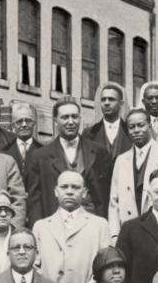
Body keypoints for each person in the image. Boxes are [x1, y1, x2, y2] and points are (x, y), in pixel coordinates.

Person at [108, 108, 158, 242]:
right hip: (129, 235)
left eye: (141, 125)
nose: (136, 130)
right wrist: (115, 235)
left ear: (150, 126)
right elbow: (114, 204)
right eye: (131, 127)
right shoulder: (121, 160)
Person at [27, 96, 110, 224]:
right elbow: (35, 201)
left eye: (74, 117)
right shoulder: (40, 156)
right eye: (65, 117)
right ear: (55, 121)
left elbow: (106, 193)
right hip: (56, 225)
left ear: (80, 119)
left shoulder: (99, 151)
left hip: (92, 223)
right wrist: (38, 232)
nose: (71, 122)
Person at [33, 171, 111, 283]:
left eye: (75, 187)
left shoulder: (100, 225)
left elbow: (105, 266)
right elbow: (34, 267)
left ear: (84, 192)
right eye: (64, 187)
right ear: (56, 191)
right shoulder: (41, 227)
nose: (69, 192)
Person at [83, 83, 133, 201]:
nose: (106, 103)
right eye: (103, 99)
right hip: (97, 198)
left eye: (111, 99)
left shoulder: (132, 133)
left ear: (121, 104)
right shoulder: (89, 134)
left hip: (125, 197)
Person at [2, 102, 43, 185]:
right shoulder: (3, 152)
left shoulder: (44, 151)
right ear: (13, 125)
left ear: (33, 124)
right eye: (19, 121)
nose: (24, 125)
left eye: (28, 121)